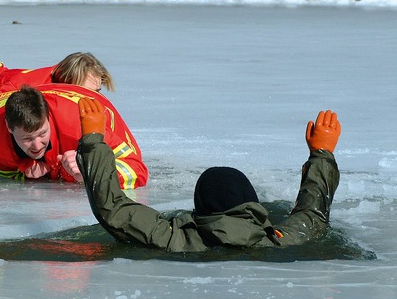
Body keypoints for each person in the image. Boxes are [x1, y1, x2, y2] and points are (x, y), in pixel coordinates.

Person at [77, 100, 341, 251]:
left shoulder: (172, 238)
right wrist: (321, 154)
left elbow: (111, 207)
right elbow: (312, 214)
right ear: (252, 204)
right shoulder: (276, 242)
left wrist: (93, 142)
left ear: (199, 207)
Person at [0, 84, 148, 189]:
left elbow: (138, 170)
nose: (36, 145)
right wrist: (25, 167)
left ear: (48, 118)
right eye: (27, 139)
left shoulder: (81, 128)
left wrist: (90, 171)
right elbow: (2, 167)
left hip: (92, 106)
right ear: (9, 128)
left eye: (42, 133)